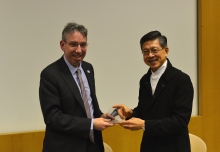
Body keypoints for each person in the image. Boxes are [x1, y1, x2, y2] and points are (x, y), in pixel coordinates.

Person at [113, 31, 194, 152]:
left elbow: (179, 122)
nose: (150, 55)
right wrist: (130, 113)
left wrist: (144, 125)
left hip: (174, 147)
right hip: (149, 146)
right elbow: (146, 111)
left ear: (165, 51)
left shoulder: (181, 80)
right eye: (146, 52)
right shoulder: (145, 80)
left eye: (154, 50)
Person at [39, 22, 113, 152]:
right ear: (63, 45)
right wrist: (91, 124)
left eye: (83, 45)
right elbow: (53, 118)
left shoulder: (88, 68)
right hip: (65, 147)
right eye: (73, 44)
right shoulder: (50, 74)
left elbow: (87, 105)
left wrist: (101, 116)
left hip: (93, 144)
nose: (79, 50)